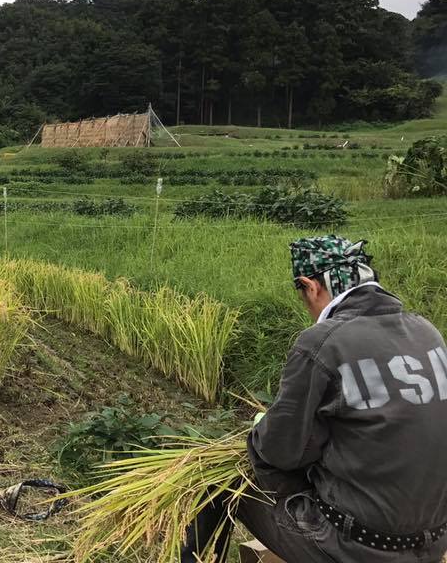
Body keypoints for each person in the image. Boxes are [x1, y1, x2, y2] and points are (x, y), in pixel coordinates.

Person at [181, 235, 447, 563]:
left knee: (220, 483)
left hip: (357, 547)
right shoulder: (427, 332)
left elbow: (278, 452)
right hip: (433, 540)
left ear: (311, 286)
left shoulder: (322, 342)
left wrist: (263, 428)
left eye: (303, 296)